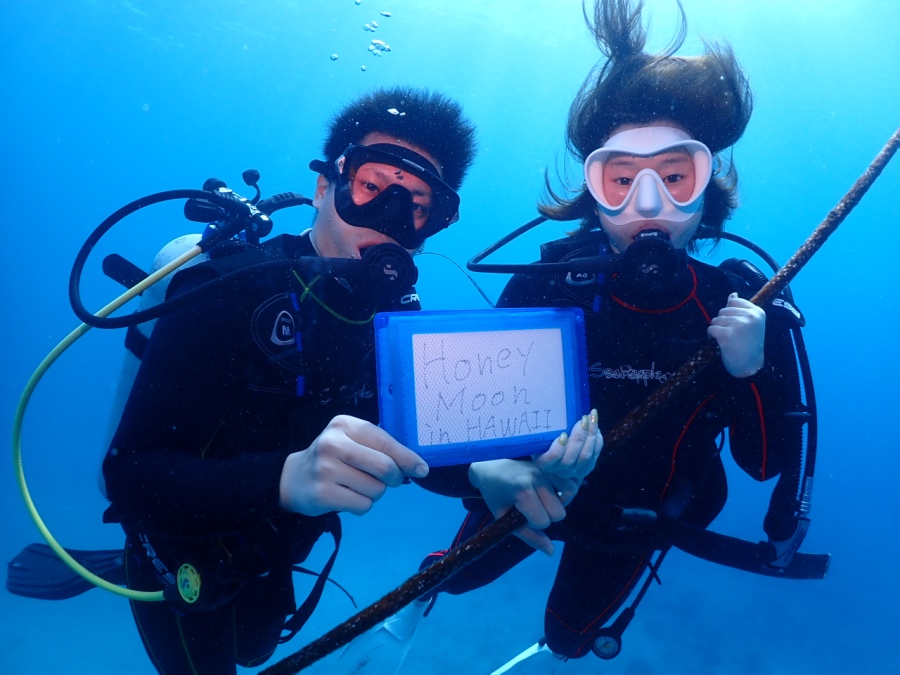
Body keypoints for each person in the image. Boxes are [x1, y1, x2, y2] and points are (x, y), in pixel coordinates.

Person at [341, 0, 810, 669]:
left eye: (675, 178)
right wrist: (485, 474)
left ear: (706, 189)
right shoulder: (547, 285)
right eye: (621, 180)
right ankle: (422, 605)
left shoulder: (742, 302)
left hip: (634, 523)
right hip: (536, 492)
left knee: (568, 637)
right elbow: (464, 431)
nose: (648, 206)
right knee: (450, 574)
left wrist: (752, 368)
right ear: (595, 191)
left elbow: (766, 466)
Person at [96, 85, 480, 674]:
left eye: (417, 206)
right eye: (372, 187)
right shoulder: (225, 288)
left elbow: (420, 450)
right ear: (325, 186)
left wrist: (488, 477)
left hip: (271, 550)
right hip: (176, 548)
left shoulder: (397, 323)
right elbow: (128, 478)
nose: (390, 221)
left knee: (255, 650)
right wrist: (284, 477)